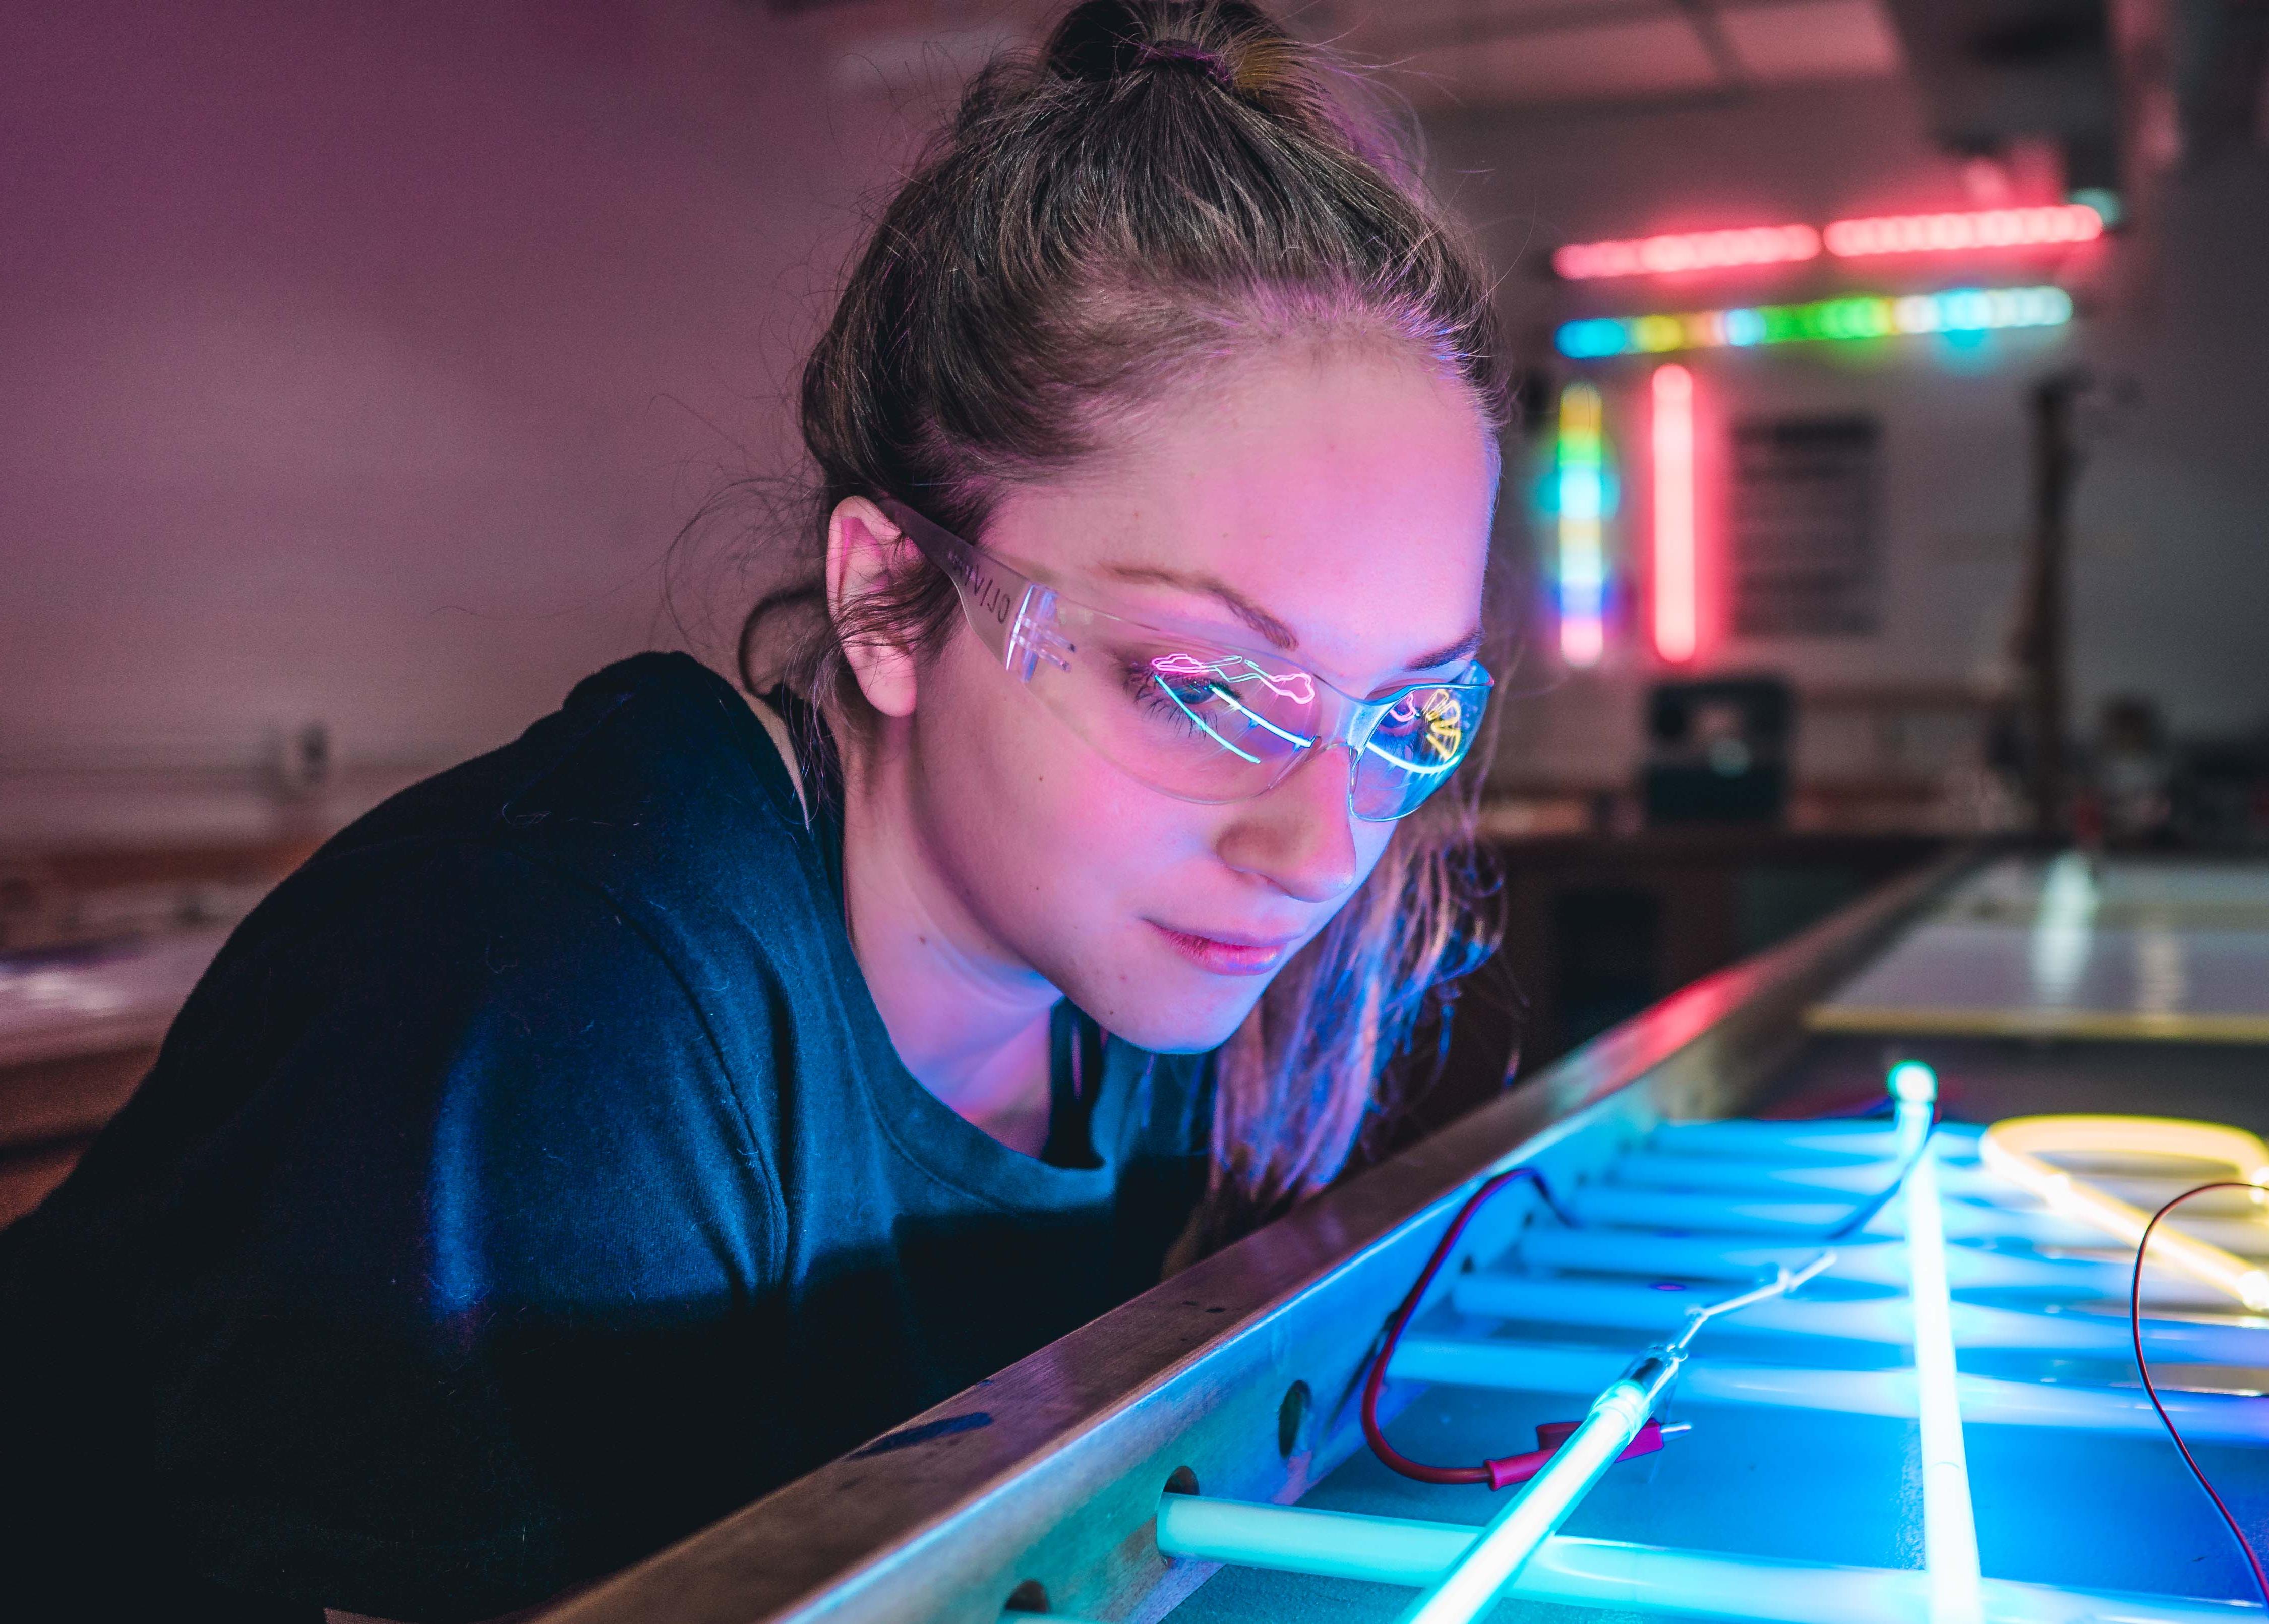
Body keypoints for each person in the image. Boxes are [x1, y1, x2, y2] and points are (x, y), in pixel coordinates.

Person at [0, 4, 1508, 1618]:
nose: (1319, 850)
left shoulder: (1130, 966)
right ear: (889, 599)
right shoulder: (560, 997)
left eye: (1407, 717)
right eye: (1203, 688)